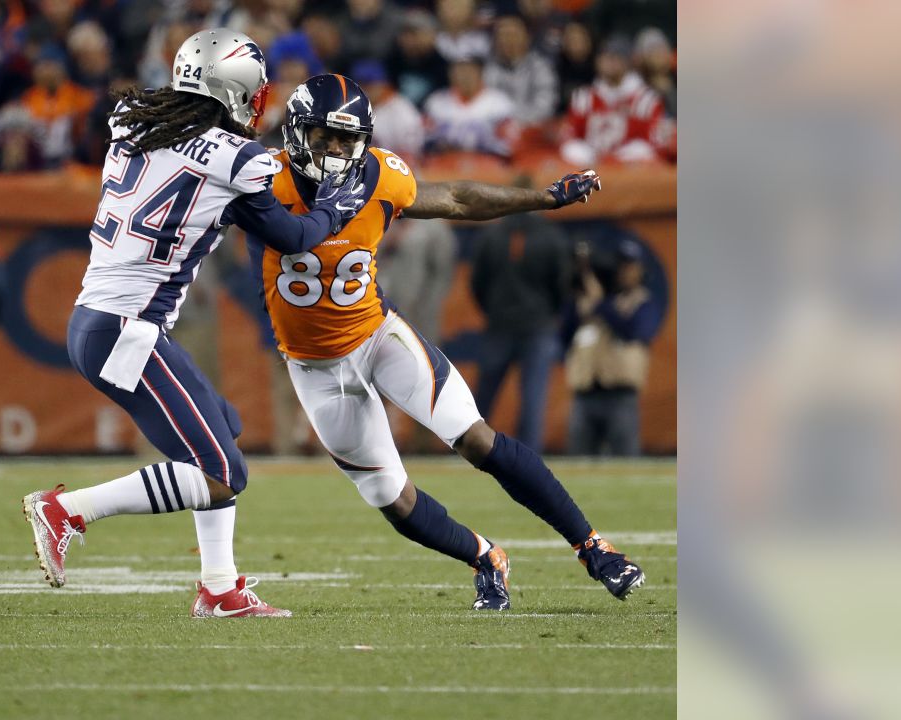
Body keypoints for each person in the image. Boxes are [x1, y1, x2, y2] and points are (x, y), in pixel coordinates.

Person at [254, 73, 646, 610]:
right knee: (392, 499)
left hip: (376, 333)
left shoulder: (381, 175)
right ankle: (485, 556)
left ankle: (593, 545)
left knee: (476, 438)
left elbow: (458, 198)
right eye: (325, 136)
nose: (338, 149)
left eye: (347, 138)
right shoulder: (259, 179)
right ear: (297, 133)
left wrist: (544, 199)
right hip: (314, 366)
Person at [21, 30, 370, 618]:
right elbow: (295, 238)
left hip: (101, 321)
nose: (260, 105)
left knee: (223, 432)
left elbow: (199, 182)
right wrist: (340, 201)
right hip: (126, 331)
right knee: (222, 472)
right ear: (234, 92)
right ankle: (68, 510)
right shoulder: (237, 160)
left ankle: (220, 588)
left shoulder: (136, 121)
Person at [470, 177, 572, 453]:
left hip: (500, 323)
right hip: (537, 325)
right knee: (533, 398)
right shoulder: (551, 236)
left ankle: (468, 449)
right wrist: (549, 313)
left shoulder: (492, 234)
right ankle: (528, 459)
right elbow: (562, 285)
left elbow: (477, 283)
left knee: (481, 400)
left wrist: (493, 309)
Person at [564, 239, 663, 455]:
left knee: (625, 459)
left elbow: (633, 332)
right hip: (585, 393)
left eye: (630, 266)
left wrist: (600, 304)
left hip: (620, 395)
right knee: (578, 463)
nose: (624, 272)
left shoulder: (643, 302)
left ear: (640, 270)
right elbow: (564, 335)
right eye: (621, 266)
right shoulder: (587, 301)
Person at [559, 35, 671, 167]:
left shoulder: (646, 100)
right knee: (571, 150)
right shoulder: (583, 97)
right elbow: (570, 136)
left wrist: (615, 160)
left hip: (628, 168)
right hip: (590, 162)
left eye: (615, 57)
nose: (608, 62)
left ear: (628, 61)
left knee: (640, 150)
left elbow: (653, 144)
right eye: (604, 56)